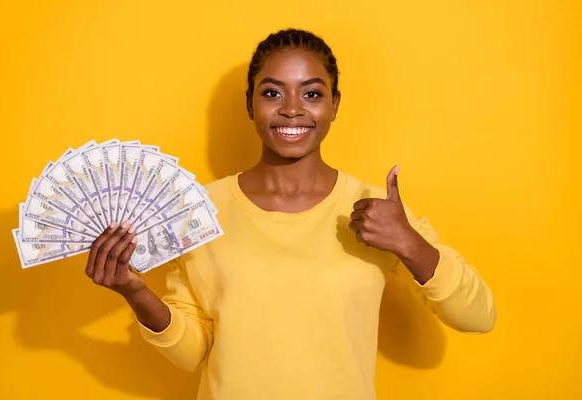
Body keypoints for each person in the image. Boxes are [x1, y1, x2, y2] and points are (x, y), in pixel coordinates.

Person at [85, 28, 496, 400]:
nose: (292, 109)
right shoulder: (198, 211)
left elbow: (480, 317)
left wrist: (409, 242)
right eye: (273, 93)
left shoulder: (379, 212)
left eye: (312, 94)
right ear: (250, 104)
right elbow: (193, 352)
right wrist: (134, 290)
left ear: (334, 105)